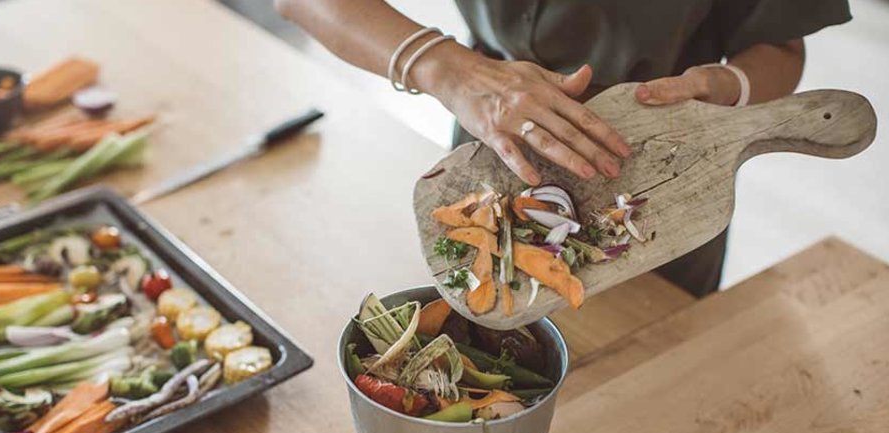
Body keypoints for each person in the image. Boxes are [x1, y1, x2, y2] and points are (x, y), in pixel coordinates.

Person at [276, 0, 851, 297]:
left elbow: (779, 40)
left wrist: (726, 90)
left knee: (656, 395)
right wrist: (451, 71)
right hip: (494, 147)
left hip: (667, 171)